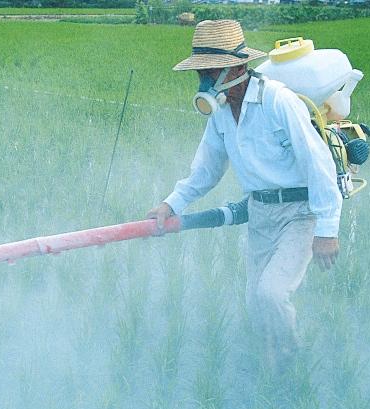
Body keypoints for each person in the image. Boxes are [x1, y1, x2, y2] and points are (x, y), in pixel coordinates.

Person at [146, 19, 342, 372]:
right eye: (200, 74)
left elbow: (319, 165)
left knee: (272, 294)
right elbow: (206, 170)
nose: (204, 82)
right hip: (260, 214)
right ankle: (271, 369)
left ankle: (295, 363)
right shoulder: (220, 113)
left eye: (211, 72)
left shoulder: (278, 102)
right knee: (256, 303)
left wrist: (327, 231)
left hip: (299, 213)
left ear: (237, 67)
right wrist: (170, 203)